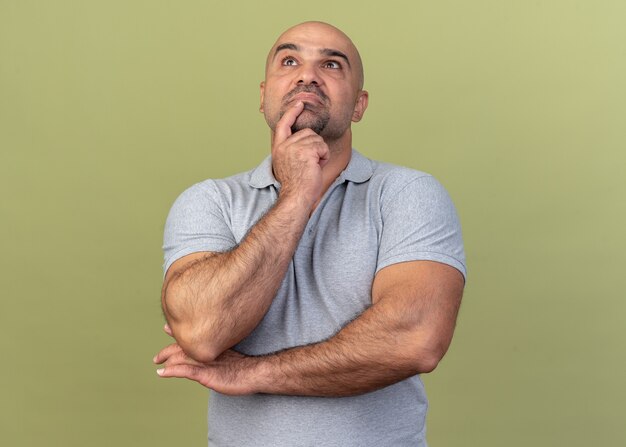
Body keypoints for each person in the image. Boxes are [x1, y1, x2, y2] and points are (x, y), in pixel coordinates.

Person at [154, 21, 466, 447]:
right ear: (263, 95)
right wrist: (297, 195)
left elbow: (416, 339)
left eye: (332, 65)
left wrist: (252, 372)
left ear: (359, 105)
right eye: (289, 60)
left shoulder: (407, 194)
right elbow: (203, 330)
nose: (307, 75)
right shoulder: (210, 201)